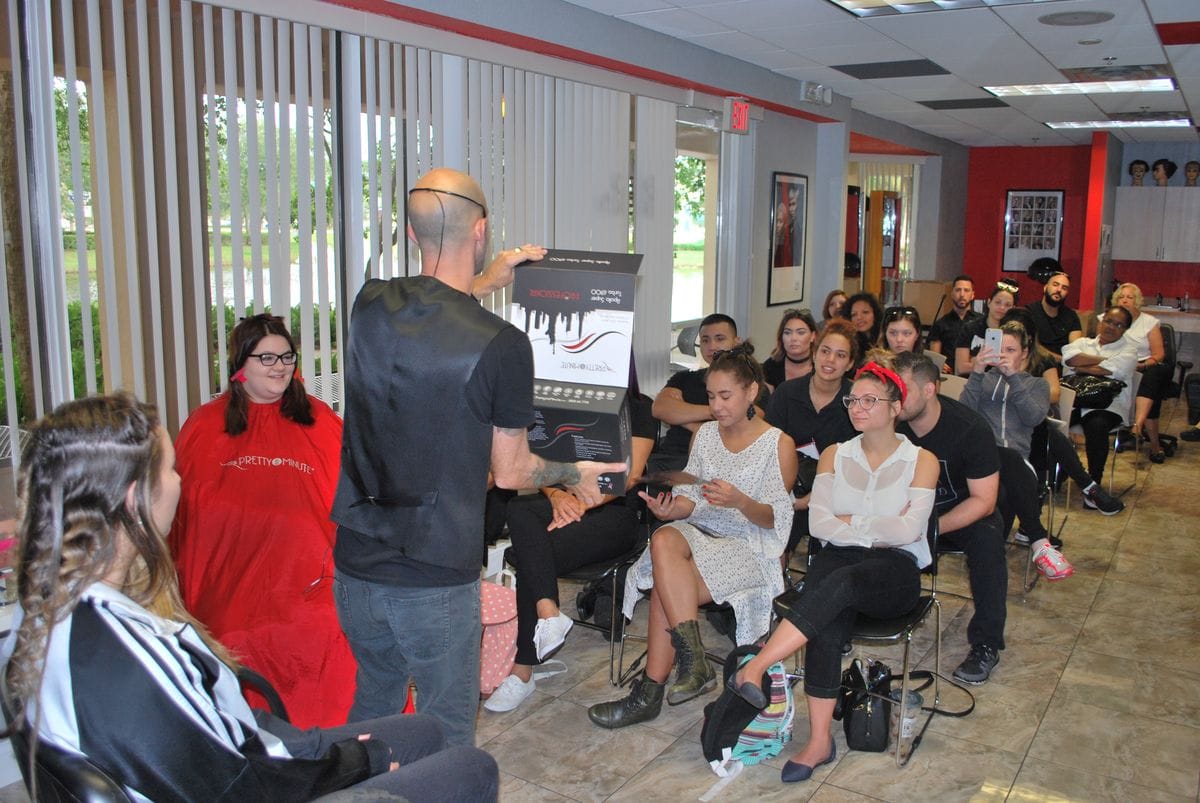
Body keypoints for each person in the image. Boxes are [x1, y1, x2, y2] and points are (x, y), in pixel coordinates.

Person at [1, 394, 499, 801]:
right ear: (135, 498)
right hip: (253, 781)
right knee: (470, 767)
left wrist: (323, 750)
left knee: (427, 730)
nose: (181, 481)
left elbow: (214, 733)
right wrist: (356, 762)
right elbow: (241, 785)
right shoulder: (127, 656)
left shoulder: (43, 610)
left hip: (244, 748)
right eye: (172, 470)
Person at [330, 167, 621, 748]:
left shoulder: (369, 304)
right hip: (432, 575)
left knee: (375, 708)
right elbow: (512, 471)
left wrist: (486, 281)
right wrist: (575, 471)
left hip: (355, 565)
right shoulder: (504, 344)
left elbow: (433, 317)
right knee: (446, 733)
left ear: (411, 234)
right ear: (482, 230)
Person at [728, 362, 937, 784]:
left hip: (895, 570)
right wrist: (875, 526)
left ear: (895, 407)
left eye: (870, 400)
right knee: (826, 614)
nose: (857, 407)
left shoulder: (921, 460)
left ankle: (759, 664)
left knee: (837, 585)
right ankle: (819, 741)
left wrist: (851, 521)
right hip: (837, 558)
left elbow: (908, 531)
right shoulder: (834, 455)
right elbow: (820, 525)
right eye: (853, 400)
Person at [588, 345, 797, 729]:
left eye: (725, 396)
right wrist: (672, 509)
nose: (716, 406)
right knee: (664, 537)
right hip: (703, 533)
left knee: (667, 587)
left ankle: (649, 693)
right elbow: (691, 499)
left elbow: (776, 520)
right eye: (712, 396)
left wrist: (740, 501)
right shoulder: (705, 435)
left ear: (751, 391)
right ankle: (692, 662)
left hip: (751, 545)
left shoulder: (778, 444)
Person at [169, 314, 355, 729]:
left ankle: (335, 745)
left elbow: (352, 500)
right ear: (240, 365)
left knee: (330, 635)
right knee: (235, 639)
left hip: (310, 584)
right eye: (266, 357)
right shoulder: (204, 427)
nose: (280, 366)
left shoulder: (321, 422)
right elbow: (185, 521)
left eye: (287, 356)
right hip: (229, 589)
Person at [484, 390, 657, 714]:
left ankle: (523, 670)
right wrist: (555, 495)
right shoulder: (563, 397)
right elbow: (536, 461)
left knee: (532, 554)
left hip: (613, 513)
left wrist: (580, 502)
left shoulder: (638, 406)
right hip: (562, 505)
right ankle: (548, 612)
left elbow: (630, 475)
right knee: (519, 510)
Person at [893, 351, 1007, 685]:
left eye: (903, 391)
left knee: (988, 541)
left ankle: (986, 643)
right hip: (906, 512)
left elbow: (984, 501)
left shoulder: (969, 428)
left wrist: (929, 529)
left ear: (929, 390)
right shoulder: (889, 423)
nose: (894, 400)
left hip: (958, 514)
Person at [960, 320, 1073, 580]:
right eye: (999, 349)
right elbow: (963, 416)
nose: (1003, 356)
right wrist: (976, 373)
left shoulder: (1037, 385)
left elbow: (1034, 417)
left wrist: (1013, 379)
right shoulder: (982, 380)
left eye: (1010, 350)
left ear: (1024, 353)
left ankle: (990, 556)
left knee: (1006, 481)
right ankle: (1038, 540)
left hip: (1019, 465)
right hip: (979, 462)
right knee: (1001, 468)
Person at [765, 320, 858, 565]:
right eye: (825, 351)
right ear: (814, 353)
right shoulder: (787, 393)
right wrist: (788, 498)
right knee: (772, 535)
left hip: (837, 493)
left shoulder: (856, 401)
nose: (830, 360)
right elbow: (768, 448)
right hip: (787, 487)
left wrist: (810, 500)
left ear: (850, 364)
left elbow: (856, 465)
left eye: (840, 355)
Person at [650, 313, 744, 472]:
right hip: (672, 458)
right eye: (705, 340)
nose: (712, 346)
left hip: (721, 462)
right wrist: (715, 413)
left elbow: (751, 417)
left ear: (736, 342)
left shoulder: (747, 380)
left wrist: (683, 418)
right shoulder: (684, 378)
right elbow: (659, 408)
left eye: (720, 339)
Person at [1061, 305, 1138, 490]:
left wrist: (1082, 367)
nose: (1111, 327)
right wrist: (1105, 360)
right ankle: (1056, 474)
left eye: (1118, 325)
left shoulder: (1130, 351)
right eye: (1108, 321)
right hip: (1076, 402)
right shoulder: (1082, 343)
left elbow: (1102, 370)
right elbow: (1071, 359)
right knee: (1049, 424)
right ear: (1101, 321)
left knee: (1096, 425)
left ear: (1125, 329)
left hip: (1109, 406)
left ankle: (1093, 484)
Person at [1112, 283, 1171, 463]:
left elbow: (1159, 354)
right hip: (1119, 365)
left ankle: (1140, 428)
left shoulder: (1149, 322)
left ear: (1137, 301)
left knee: (1150, 380)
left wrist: (1142, 365)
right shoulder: (1108, 319)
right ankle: (1150, 441)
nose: (1124, 300)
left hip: (1146, 366)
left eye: (1129, 297)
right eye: (1121, 297)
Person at [955, 281, 1017, 375]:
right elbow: (961, 367)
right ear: (989, 302)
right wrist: (984, 364)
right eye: (997, 302)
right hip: (972, 380)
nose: (1002, 307)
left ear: (1013, 308)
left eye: (1007, 305)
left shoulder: (1014, 333)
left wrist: (974, 361)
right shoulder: (969, 328)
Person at [928, 275, 982, 374]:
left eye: (966, 290)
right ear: (952, 293)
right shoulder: (940, 324)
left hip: (976, 374)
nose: (962, 294)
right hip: (950, 376)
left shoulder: (981, 322)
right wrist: (939, 364)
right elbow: (935, 358)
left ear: (972, 295)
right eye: (958, 290)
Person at [1024, 270, 1081, 358]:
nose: (1059, 290)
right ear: (1045, 287)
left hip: (1065, 364)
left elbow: (1075, 350)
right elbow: (1032, 347)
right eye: (1055, 285)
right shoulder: (1029, 312)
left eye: (1064, 288)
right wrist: (1061, 360)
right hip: (1037, 362)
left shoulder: (1071, 316)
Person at [762, 308, 818, 390]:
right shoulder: (771, 366)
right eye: (787, 333)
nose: (793, 338)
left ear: (813, 336)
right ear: (781, 337)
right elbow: (766, 398)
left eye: (801, 333)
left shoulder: (822, 365)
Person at [844, 292, 883, 364]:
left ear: (875, 314)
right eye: (854, 314)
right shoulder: (849, 343)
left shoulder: (885, 338)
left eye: (865, 312)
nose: (859, 317)